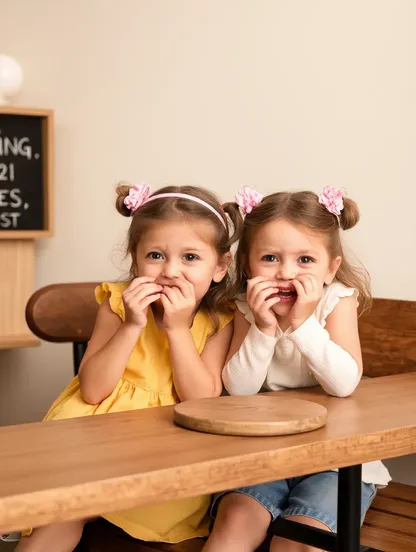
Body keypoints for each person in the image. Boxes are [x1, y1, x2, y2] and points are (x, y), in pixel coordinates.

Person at [17, 183, 242, 552]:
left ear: (220, 266)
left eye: (190, 258)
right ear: (135, 260)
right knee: (64, 512)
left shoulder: (221, 319)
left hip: (164, 447)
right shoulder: (118, 304)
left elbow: (201, 399)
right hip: (94, 435)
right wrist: (132, 325)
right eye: (155, 255)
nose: (171, 271)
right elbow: (91, 390)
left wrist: (176, 328)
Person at [204, 185, 390, 552]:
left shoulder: (337, 301)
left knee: (300, 539)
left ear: (330, 267)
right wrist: (264, 327)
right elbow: (238, 390)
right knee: (235, 525)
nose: (286, 273)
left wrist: (303, 324)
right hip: (265, 452)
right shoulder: (245, 306)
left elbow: (343, 383)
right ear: (247, 265)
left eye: (305, 260)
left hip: (336, 460)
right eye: (270, 258)